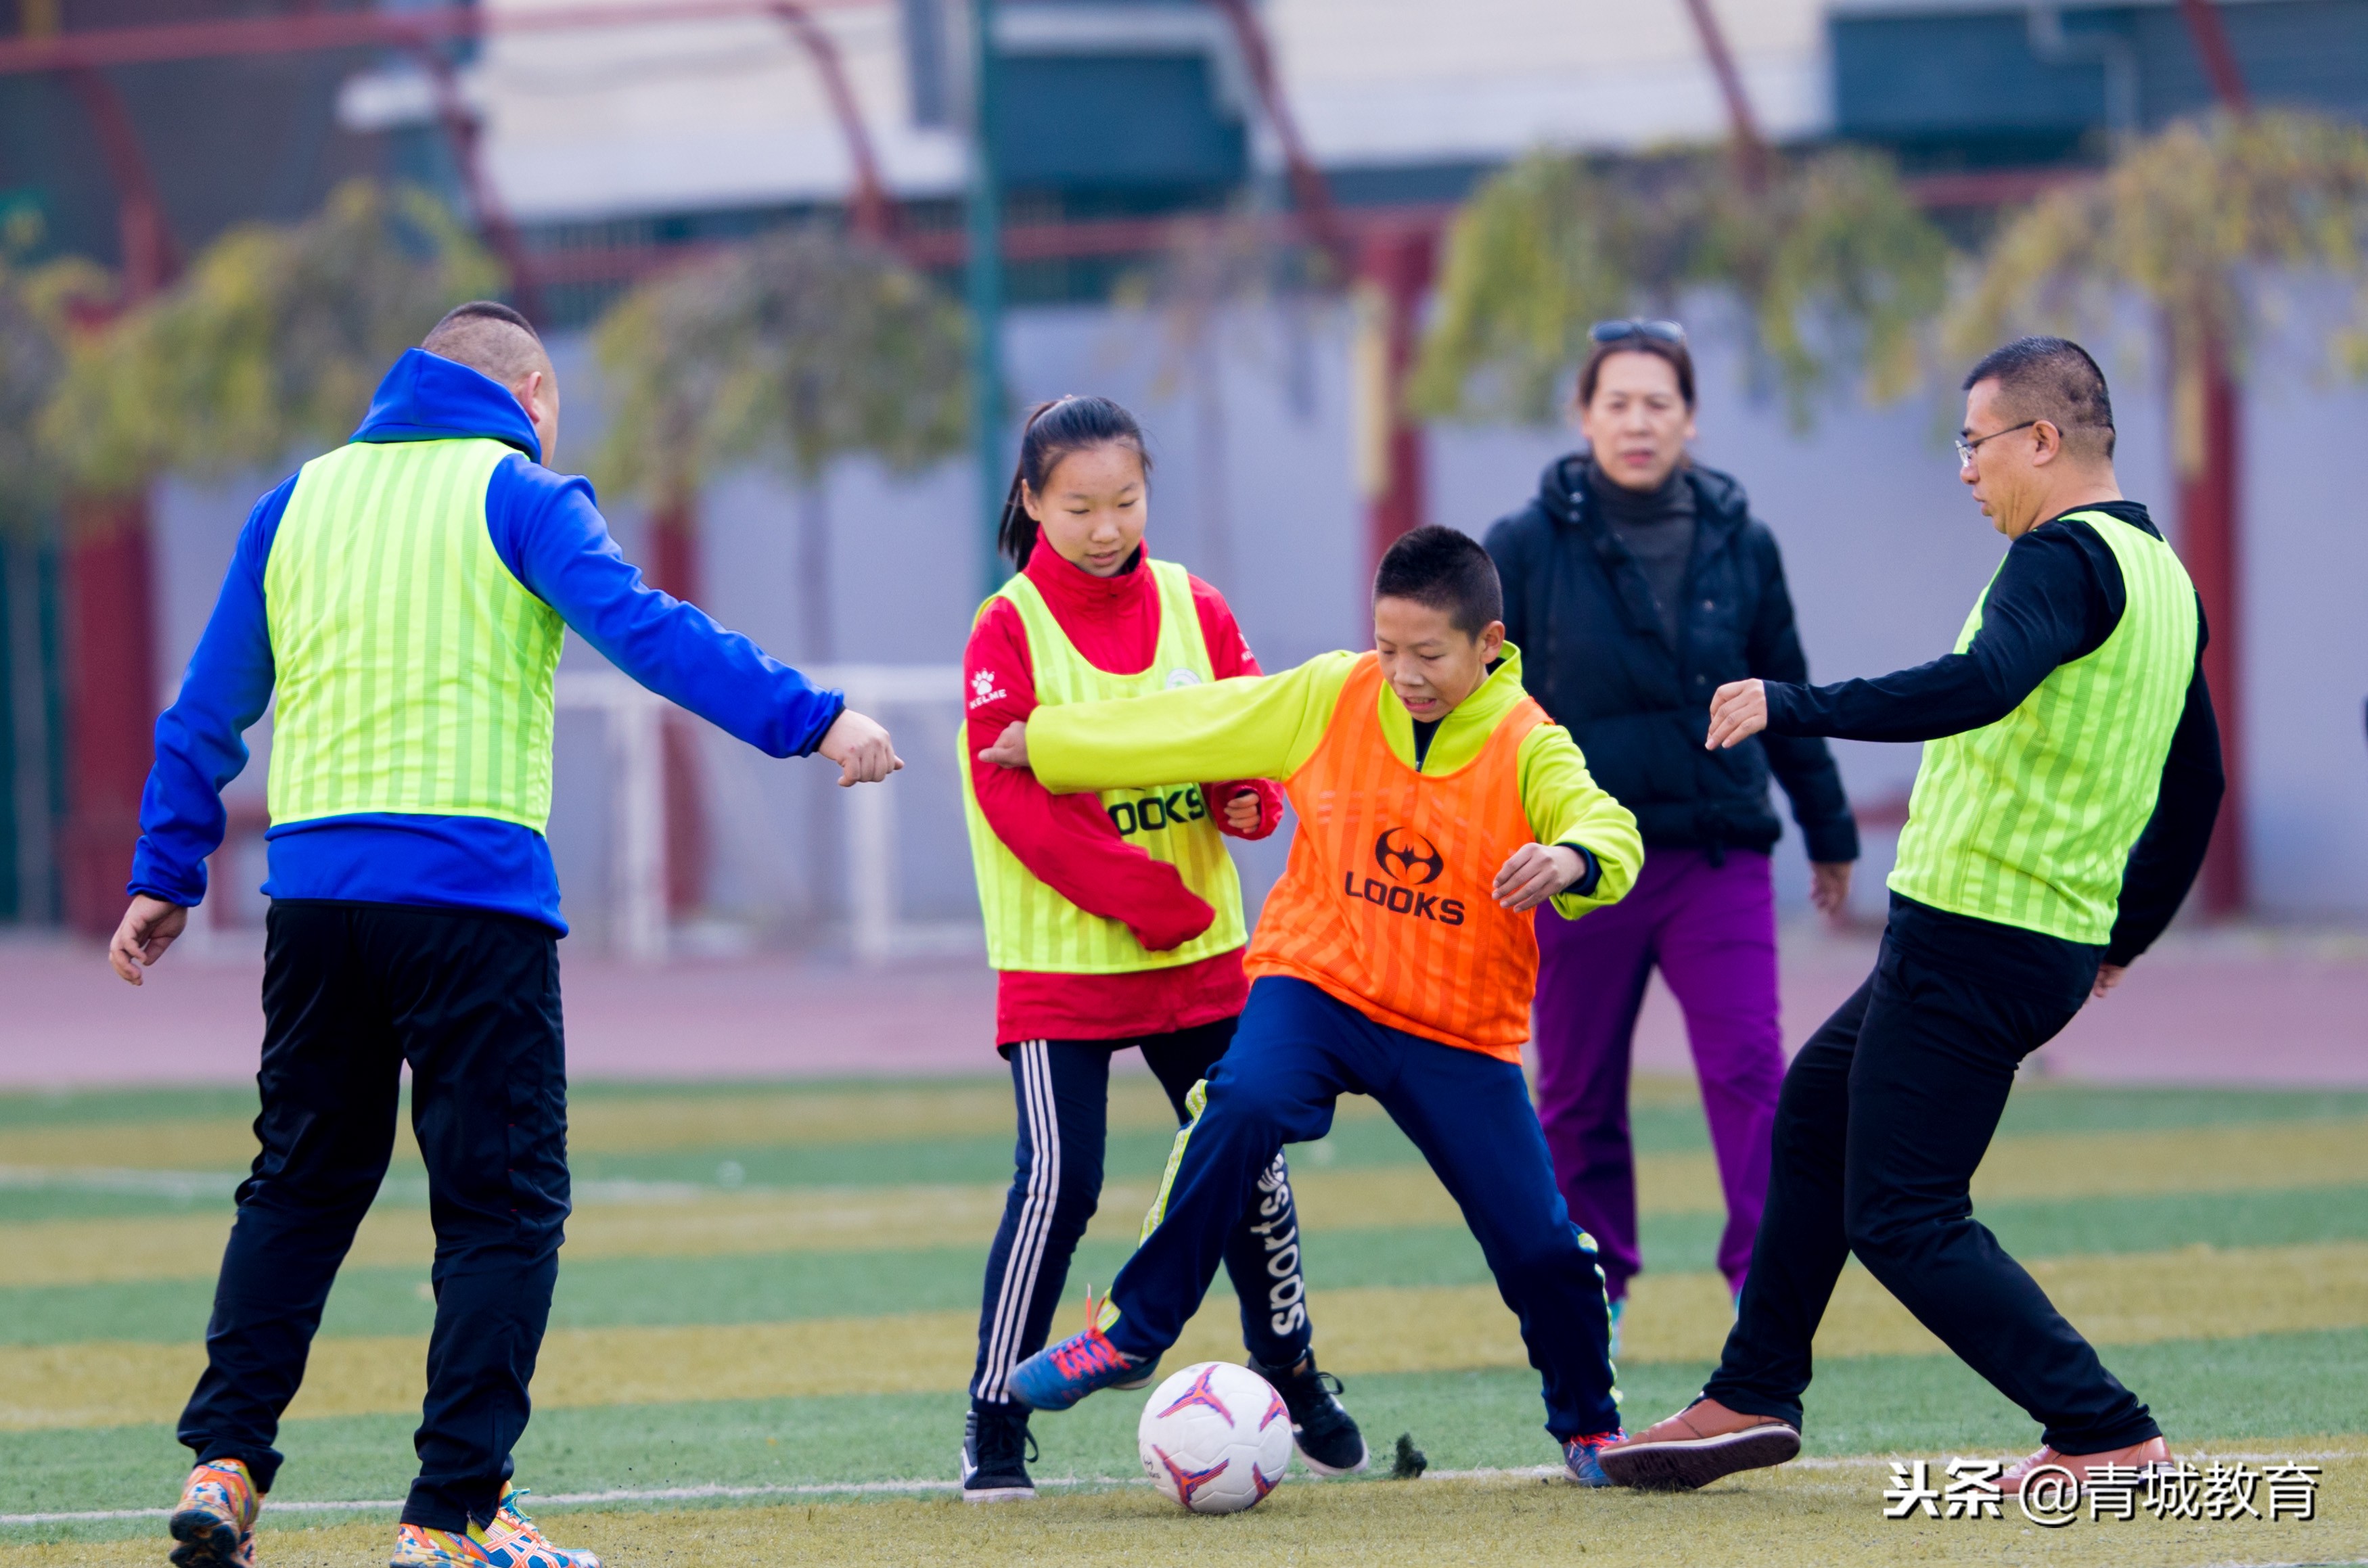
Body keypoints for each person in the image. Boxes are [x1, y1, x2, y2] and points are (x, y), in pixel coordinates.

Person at [108, 302, 901, 1568]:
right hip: (469, 900)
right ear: (531, 391)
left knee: (301, 1187)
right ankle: (454, 1513)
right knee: (501, 1206)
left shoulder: (295, 503)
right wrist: (812, 719)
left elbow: (205, 709)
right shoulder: (521, 491)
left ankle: (225, 1465)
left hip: (313, 907)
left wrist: (167, 867)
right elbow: (646, 631)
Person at [1600, 337, 2224, 1493]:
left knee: (1901, 1214)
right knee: (1817, 1115)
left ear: (2042, 441)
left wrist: (1795, 703)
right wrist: (2123, 937)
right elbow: (2201, 786)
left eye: (1974, 443)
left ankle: (2107, 1428)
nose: (1964, 470)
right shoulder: (2165, 580)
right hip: (2015, 942)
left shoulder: (2059, 560)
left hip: (1979, 940)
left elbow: (1980, 685)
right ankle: (1753, 1390)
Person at [980, 526, 1645, 1485]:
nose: (1403, 673)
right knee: (1239, 1102)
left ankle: (1590, 1426)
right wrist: (1049, 740)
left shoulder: (1528, 741)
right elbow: (1198, 722)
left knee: (1540, 1244)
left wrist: (1573, 858)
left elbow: (1603, 820)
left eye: (1429, 654)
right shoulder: (1333, 695)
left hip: (1455, 1028)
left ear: (1489, 643)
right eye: (1388, 647)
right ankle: (1131, 1334)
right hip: (1320, 981)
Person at [955, 394, 1364, 1500]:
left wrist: (1246, 800)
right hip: (1067, 966)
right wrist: (1145, 894)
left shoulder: (1195, 605)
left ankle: (1292, 1372)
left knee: (1250, 1174)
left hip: (1202, 961)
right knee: (1059, 1181)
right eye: (1078, 505)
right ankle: (995, 1422)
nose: (1104, 526)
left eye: (1124, 501)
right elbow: (1019, 804)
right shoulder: (1007, 629)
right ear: (1033, 500)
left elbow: (1249, 741)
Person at [1485, 319, 1857, 1349]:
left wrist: (1827, 830)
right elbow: (1478, 706)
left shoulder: (1745, 538)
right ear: (1582, 415)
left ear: (1690, 418)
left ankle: (1768, 1288)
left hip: (1716, 852)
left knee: (1750, 1070)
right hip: (1580, 863)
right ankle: (1590, 1289)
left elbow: (1788, 685)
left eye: (1659, 403)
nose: (1638, 422)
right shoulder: (1519, 545)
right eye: (1618, 402)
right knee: (1575, 1085)